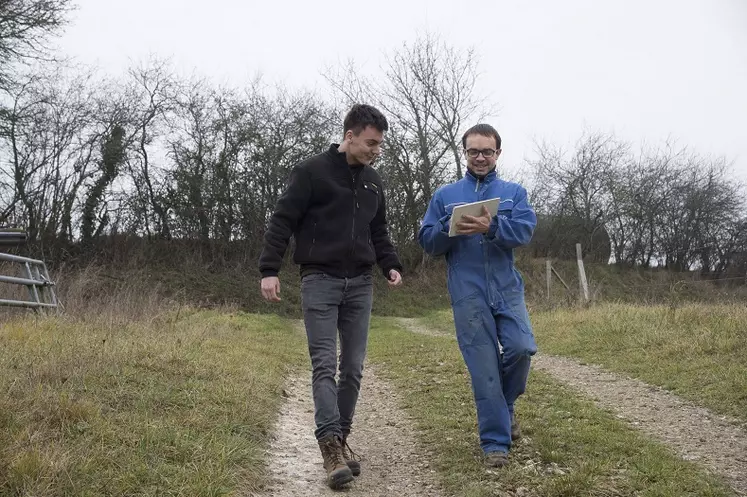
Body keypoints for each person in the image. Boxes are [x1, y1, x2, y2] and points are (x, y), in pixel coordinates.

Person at [258, 103, 403, 489]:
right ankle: (330, 449)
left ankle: (340, 438)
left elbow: (379, 230)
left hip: (360, 284)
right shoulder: (311, 172)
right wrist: (269, 270)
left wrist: (390, 263)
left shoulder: (374, 181)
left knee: (353, 368)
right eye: (371, 143)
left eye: (380, 145)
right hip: (319, 280)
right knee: (324, 364)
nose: (376, 150)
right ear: (350, 135)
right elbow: (282, 221)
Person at [417, 123, 537, 468]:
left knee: (522, 348)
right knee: (483, 366)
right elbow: (427, 241)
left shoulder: (514, 193)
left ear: (498, 153)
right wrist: (450, 229)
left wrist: (493, 227)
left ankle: (506, 406)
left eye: (487, 151)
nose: (480, 157)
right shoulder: (445, 195)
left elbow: (525, 231)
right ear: (464, 153)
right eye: (473, 151)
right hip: (466, 291)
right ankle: (495, 443)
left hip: (506, 288)